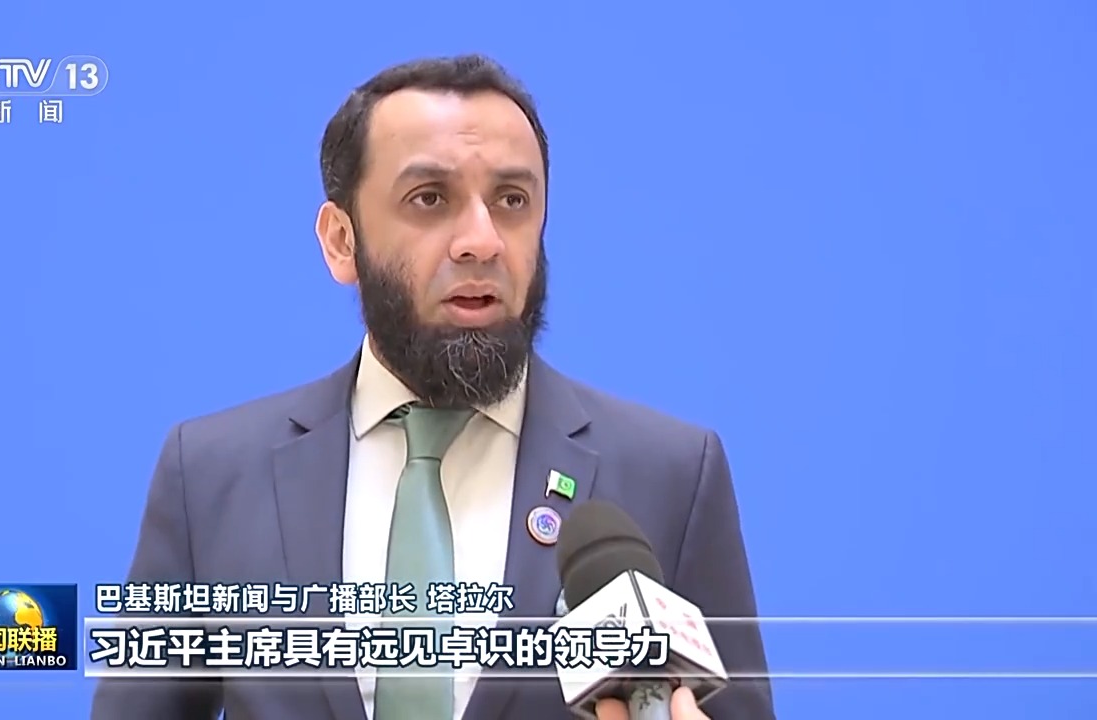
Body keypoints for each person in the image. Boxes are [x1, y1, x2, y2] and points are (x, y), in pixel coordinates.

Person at [91, 54, 774, 720]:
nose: (482, 240)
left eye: (512, 200)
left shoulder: (671, 475)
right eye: (430, 199)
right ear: (341, 241)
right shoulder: (209, 475)